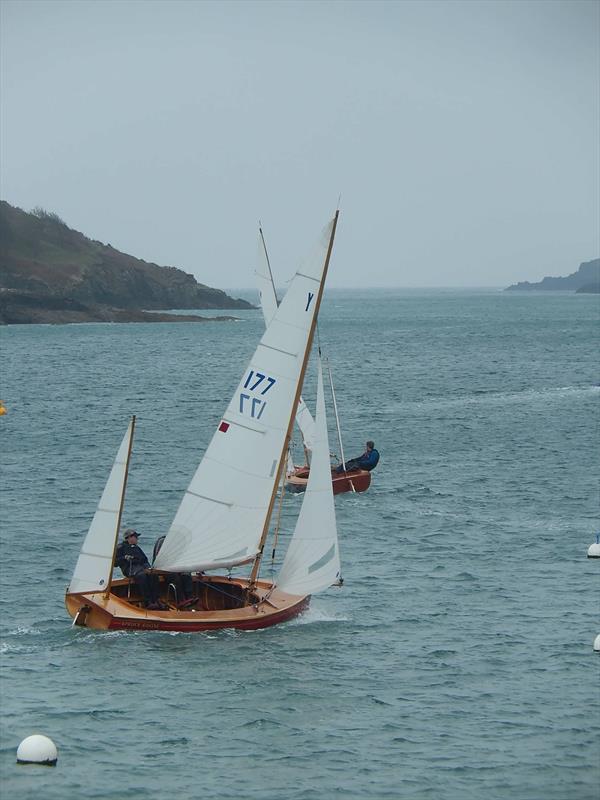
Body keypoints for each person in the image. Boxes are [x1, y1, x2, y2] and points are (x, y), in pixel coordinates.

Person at [115, 529, 166, 610]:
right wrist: (124, 558)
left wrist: (149, 568)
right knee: (141, 576)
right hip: (130, 568)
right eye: (136, 537)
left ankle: (156, 599)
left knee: (153, 575)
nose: (137, 539)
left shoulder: (136, 548)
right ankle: (148, 601)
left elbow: (144, 559)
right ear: (129, 538)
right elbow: (115, 563)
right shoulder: (121, 547)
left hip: (141, 567)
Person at [152, 535, 196, 608]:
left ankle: (189, 597)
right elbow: (159, 557)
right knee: (175, 578)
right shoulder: (162, 541)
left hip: (173, 567)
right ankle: (180, 600)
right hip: (161, 568)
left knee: (186, 574)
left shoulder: (176, 544)